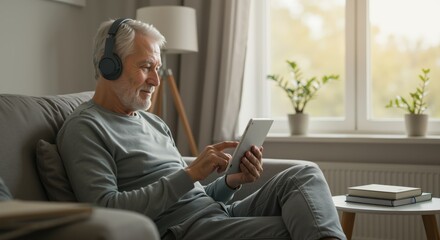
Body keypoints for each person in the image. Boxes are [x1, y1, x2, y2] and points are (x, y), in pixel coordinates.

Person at [56, 18, 346, 240]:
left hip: (216, 215)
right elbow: (107, 209)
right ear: (110, 66)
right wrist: (191, 173)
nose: (156, 81)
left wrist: (231, 181)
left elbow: (194, 196)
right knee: (295, 228)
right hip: (182, 231)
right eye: (146, 67)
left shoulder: (154, 123)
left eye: (157, 68)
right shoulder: (85, 128)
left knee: (303, 174)